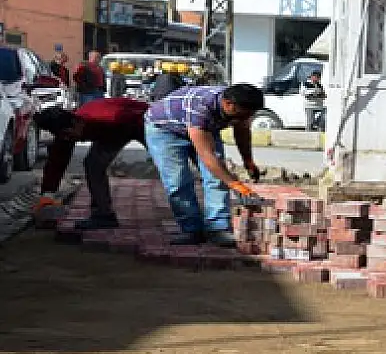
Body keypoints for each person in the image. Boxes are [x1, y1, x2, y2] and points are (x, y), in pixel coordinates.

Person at [144, 84, 264, 246]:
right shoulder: (201, 107)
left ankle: (218, 228)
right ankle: (191, 230)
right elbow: (207, 156)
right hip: (164, 130)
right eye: (242, 115)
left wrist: (248, 162)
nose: (244, 119)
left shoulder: (241, 107)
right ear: (228, 104)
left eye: (250, 115)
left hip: (203, 127)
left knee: (217, 179)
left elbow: (242, 132)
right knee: (178, 181)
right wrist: (235, 184)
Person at [32, 98, 149, 229]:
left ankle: (177, 210)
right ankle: (104, 215)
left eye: (69, 135)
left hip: (143, 121)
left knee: (166, 165)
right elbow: (56, 163)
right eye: (64, 136)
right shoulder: (65, 131)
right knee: (93, 164)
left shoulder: (106, 117)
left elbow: (141, 121)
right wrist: (47, 196)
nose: (69, 139)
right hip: (113, 132)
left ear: (77, 122)